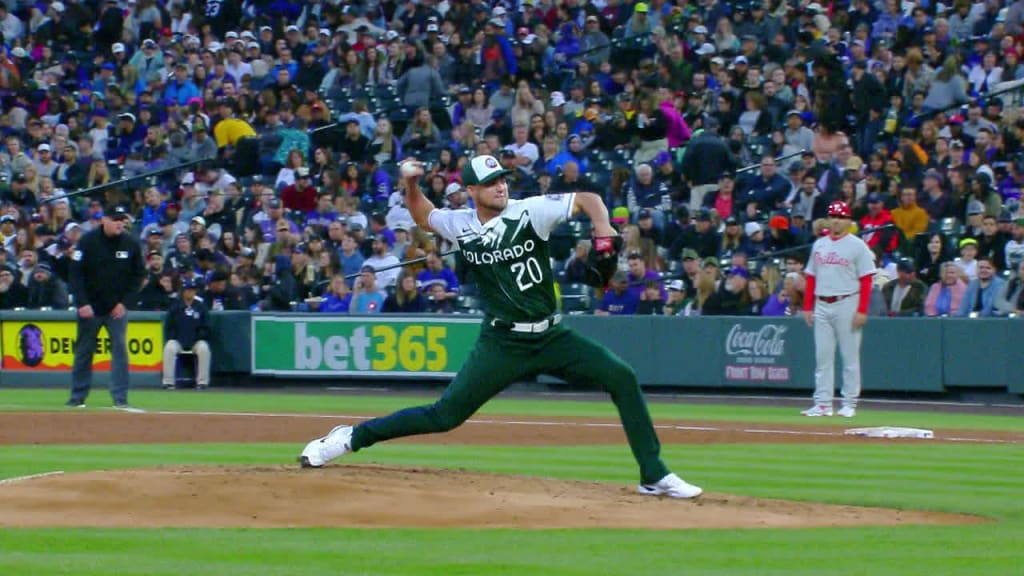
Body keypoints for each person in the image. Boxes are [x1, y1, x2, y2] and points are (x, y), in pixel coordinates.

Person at [300, 154, 703, 499]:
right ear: (471, 191)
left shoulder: (529, 211)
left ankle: (653, 475)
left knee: (622, 377)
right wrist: (411, 183)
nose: (500, 187)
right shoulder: (460, 223)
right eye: (489, 182)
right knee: (444, 416)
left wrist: (603, 228)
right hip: (502, 342)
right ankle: (349, 438)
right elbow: (423, 214)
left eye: (502, 179)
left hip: (551, 336)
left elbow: (589, 199)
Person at [67, 205, 146, 410]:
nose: (120, 222)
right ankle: (77, 397)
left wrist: (125, 303)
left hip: (116, 309)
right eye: (115, 219)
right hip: (90, 308)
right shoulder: (87, 242)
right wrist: (82, 303)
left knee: (120, 350)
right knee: (84, 351)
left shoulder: (131, 243)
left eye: (122, 219)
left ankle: (120, 398)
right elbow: (75, 275)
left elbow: (138, 276)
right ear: (104, 220)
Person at [802, 200, 875, 418]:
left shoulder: (857, 245)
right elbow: (811, 276)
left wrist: (862, 310)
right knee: (822, 356)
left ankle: (849, 402)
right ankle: (823, 403)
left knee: (849, 356)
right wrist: (807, 306)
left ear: (849, 221)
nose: (836, 220)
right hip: (822, 303)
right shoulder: (820, 244)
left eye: (841, 217)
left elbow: (867, 279)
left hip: (847, 301)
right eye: (833, 216)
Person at [161, 276, 212, 390]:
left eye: (192, 290)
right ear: (183, 291)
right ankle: (168, 382)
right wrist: (175, 337)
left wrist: (197, 337)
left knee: (204, 348)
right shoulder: (175, 306)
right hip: (178, 340)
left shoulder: (201, 307)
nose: (190, 292)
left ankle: (202, 382)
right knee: (169, 348)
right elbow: (169, 326)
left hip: (196, 341)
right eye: (188, 290)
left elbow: (206, 327)